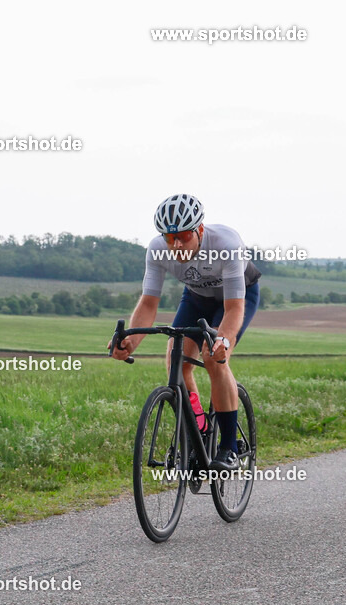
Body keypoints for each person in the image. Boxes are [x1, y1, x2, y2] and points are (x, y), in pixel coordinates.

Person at [111, 194, 260, 470]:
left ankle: (228, 446)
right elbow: (148, 303)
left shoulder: (226, 245)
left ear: (200, 230)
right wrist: (130, 341)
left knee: (213, 357)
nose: (176, 245)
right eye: (170, 238)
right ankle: (200, 431)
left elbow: (234, 309)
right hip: (197, 298)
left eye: (183, 236)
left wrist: (223, 341)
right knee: (175, 362)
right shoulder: (157, 250)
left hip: (237, 299)